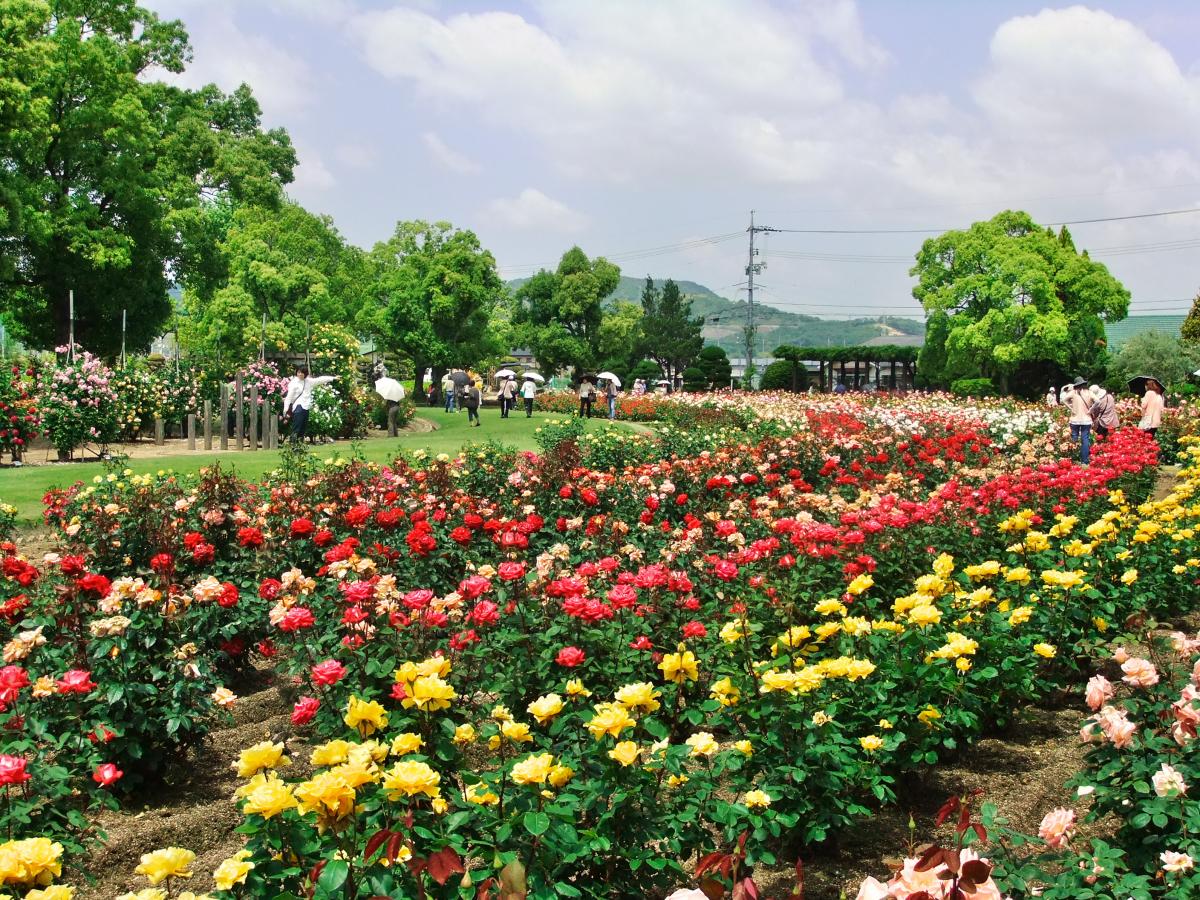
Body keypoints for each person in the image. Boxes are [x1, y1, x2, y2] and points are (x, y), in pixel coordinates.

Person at [282, 365, 336, 444]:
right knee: (296, 428)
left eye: (302, 373)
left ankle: (300, 447)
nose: (300, 374)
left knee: (302, 429)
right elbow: (289, 397)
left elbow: (320, 379)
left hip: (306, 407)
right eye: (298, 372)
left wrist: (333, 378)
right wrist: (285, 409)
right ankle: (293, 446)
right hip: (298, 407)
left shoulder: (308, 381)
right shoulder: (294, 383)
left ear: (305, 373)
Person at [1064, 378, 1093, 464]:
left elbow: (1064, 400)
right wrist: (1091, 409)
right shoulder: (1089, 392)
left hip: (1075, 419)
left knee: (1074, 438)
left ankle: (1073, 457)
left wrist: (1071, 408)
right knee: (1085, 439)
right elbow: (1098, 401)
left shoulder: (1073, 392)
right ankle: (1084, 461)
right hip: (1086, 419)